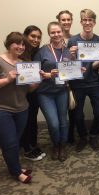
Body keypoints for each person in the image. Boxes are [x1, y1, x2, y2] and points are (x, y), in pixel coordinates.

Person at [0, 32, 35, 183]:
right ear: (8, 44)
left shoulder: (24, 63)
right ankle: (16, 172)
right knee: (10, 142)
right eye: (17, 43)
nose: (20, 47)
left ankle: (14, 165)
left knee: (13, 141)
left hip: (21, 108)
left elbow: (29, 89)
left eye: (23, 44)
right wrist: (7, 79)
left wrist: (38, 80)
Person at [68, 9, 99, 152]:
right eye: (85, 20)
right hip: (78, 83)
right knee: (77, 115)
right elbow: (69, 64)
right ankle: (83, 137)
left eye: (90, 20)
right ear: (81, 22)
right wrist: (71, 56)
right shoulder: (73, 40)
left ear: (94, 22)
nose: (87, 22)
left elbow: (95, 66)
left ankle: (94, 135)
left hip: (94, 82)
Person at [34, 21, 70, 162]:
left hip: (62, 91)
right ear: (49, 34)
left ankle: (62, 145)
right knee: (53, 123)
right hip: (45, 92)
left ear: (62, 32)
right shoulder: (42, 51)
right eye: (53, 32)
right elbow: (34, 73)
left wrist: (78, 71)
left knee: (63, 121)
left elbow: (70, 71)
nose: (56, 34)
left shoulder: (68, 51)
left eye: (58, 32)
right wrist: (48, 75)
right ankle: (55, 144)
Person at [19, 25, 46, 161]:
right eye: (33, 36)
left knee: (32, 118)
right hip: (21, 93)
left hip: (34, 91)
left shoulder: (37, 52)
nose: (36, 39)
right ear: (25, 36)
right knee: (25, 120)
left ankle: (33, 144)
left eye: (38, 37)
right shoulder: (20, 51)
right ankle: (26, 149)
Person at [56, 10, 76, 145]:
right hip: (59, 79)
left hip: (73, 78)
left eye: (68, 19)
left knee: (73, 108)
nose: (66, 22)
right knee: (61, 110)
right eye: (63, 20)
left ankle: (71, 134)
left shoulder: (75, 39)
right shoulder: (54, 39)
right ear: (59, 21)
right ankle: (60, 137)